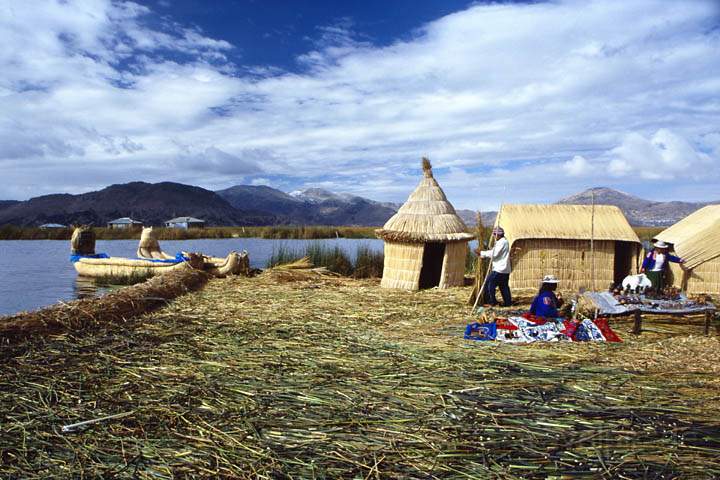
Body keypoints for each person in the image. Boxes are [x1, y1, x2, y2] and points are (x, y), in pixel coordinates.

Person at [475, 226, 511, 307]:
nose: (494, 236)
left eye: (495, 234)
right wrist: (484, 253)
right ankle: (508, 302)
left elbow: (494, 254)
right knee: (504, 286)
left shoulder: (502, 242)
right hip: (505, 269)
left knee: (489, 283)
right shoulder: (503, 242)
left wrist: (482, 253)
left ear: (498, 235)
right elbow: (494, 252)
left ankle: (491, 302)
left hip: (500, 269)